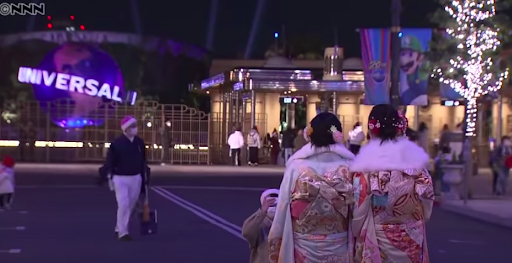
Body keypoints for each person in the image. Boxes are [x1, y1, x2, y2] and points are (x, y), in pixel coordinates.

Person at [350, 104, 433, 263]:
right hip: (412, 235)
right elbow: (426, 199)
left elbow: (358, 208)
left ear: (372, 129)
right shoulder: (415, 162)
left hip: (379, 235)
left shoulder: (366, 166)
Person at [268, 112, 355, 263]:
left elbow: (283, 206)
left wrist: (276, 237)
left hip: (304, 247)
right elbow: (357, 210)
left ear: (309, 134)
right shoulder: (349, 167)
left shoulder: (296, 167)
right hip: (339, 244)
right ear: (338, 134)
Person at [103, 116, 148, 241]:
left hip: (136, 178)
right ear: (125, 129)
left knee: (130, 206)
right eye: (132, 126)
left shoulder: (139, 142)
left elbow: (143, 161)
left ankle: (119, 226)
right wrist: (109, 176)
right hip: (120, 178)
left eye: (135, 125)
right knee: (123, 204)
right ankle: (123, 232)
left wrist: (144, 178)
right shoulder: (117, 144)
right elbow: (110, 161)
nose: (135, 128)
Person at [242, 189, 279, 263]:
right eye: (270, 205)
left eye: (275, 205)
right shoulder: (259, 224)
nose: (273, 208)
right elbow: (246, 232)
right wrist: (262, 212)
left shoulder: (287, 223)